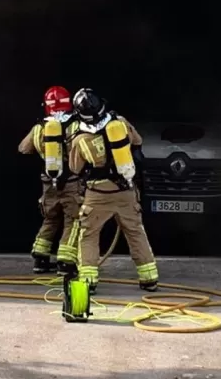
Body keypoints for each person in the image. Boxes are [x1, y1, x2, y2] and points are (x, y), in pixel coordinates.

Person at [67, 87, 158, 294]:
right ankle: (149, 279)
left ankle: (88, 281)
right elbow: (138, 141)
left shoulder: (80, 138)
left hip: (97, 194)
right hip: (125, 190)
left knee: (89, 235)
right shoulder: (120, 123)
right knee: (135, 232)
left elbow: (75, 168)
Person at [18, 86, 83, 275]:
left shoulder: (40, 127)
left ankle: (40, 257)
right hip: (72, 180)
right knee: (74, 220)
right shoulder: (76, 126)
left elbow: (23, 148)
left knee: (50, 218)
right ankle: (66, 261)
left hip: (48, 181)